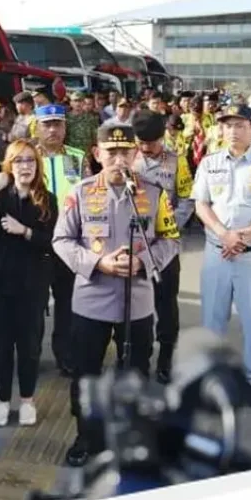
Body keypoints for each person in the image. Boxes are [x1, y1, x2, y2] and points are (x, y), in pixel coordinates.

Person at [52, 122, 182, 467]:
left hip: (136, 303)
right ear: (97, 154)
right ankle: (86, 437)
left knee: (136, 376)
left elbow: (170, 240)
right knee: (85, 376)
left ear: (136, 154)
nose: (119, 159)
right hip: (91, 301)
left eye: (126, 151)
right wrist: (98, 263)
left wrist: (141, 262)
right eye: (111, 152)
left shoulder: (153, 193)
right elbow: (61, 241)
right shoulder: (79, 193)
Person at [191, 104, 251, 408]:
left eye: (240, 125)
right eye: (228, 125)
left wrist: (244, 236)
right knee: (212, 317)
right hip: (217, 251)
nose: (233, 131)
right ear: (220, 129)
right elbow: (201, 205)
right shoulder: (209, 164)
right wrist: (225, 234)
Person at [0, 140, 58, 427]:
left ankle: (26, 400)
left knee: (29, 344)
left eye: (30, 161)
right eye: (19, 161)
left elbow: (51, 242)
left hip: (32, 281)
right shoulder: (0, 195)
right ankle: (2, 400)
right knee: (1, 344)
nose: (25, 166)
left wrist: (26, 232)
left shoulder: (47, 199)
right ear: (9, 165)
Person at [130, 110, 193, 384]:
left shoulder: (176, 161)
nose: (147, 148)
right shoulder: (128, 160)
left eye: (152, 143)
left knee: (166, 306)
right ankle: (136, 360)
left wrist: (166, 227)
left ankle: (166, 357)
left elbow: (188, 197)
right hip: (132, 246)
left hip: (165, 247)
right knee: (133, 306)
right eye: (142, 143)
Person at [33, 103, 88, 375]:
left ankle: (65, 355)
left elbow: (91, 196)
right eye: (47, 124)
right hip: (36, 242)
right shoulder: (27, 157)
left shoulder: (78, 157)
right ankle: (31, 355)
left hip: (69, 241)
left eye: (58, 124)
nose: (53, 129)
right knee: (33, 303)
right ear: (37, 127)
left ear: (65, 127)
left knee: (67, 304)